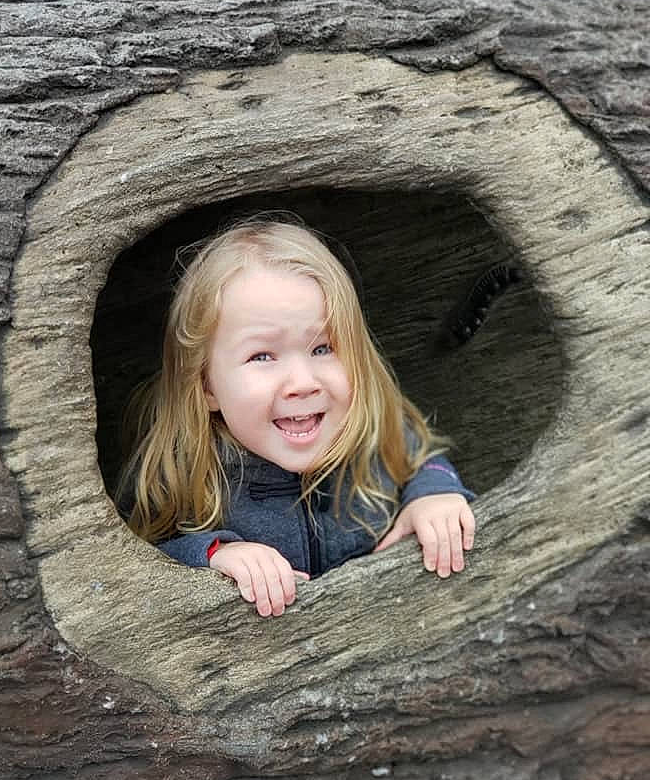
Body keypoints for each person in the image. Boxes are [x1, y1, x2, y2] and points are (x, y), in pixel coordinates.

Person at [118, 217, 476, 617]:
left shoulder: (368, 425)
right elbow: (141, 551)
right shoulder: (185, 466)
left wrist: (432, 496)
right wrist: (214, 554)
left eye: (323, 348)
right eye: (262, 356)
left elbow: (420, 458)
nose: (302, 383)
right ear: (206, 386)